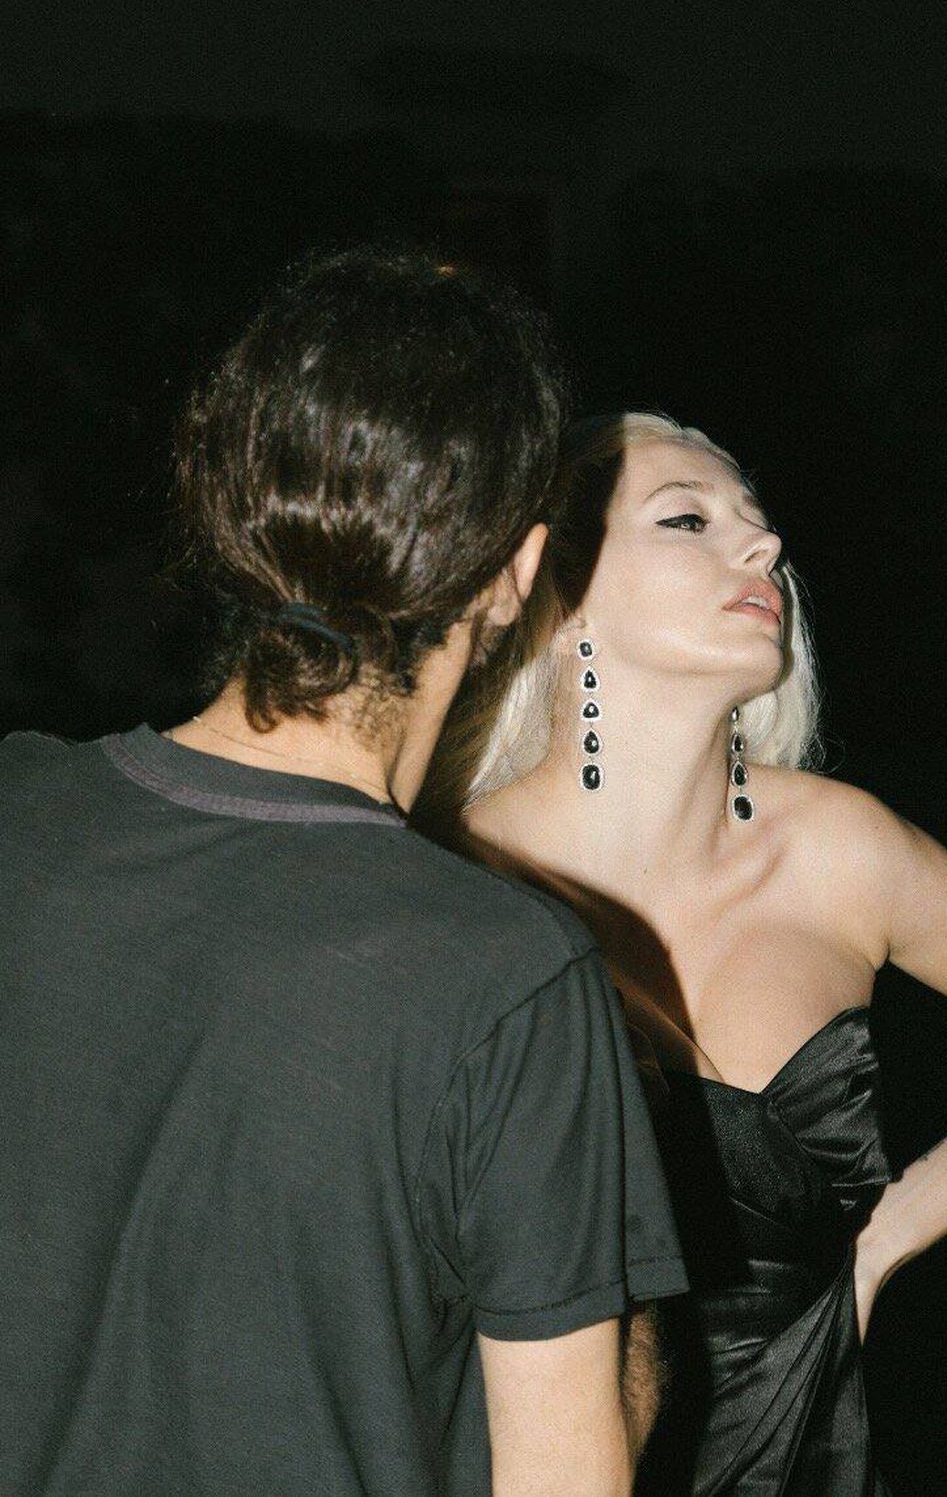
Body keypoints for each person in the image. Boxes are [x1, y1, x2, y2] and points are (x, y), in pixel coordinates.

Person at [0, 253, 691, 1497]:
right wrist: (620, 1285)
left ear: (224, 510)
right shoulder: (508, 979)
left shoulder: (18, 807)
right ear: (516, 573)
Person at [418, 407, 947, 1496]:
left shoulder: (842, 851)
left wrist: (885, 1240)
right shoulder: (451, 880)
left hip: (816, 1457)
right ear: (559, 593)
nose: (762, 544)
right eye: (688, 519)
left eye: (756, 520)